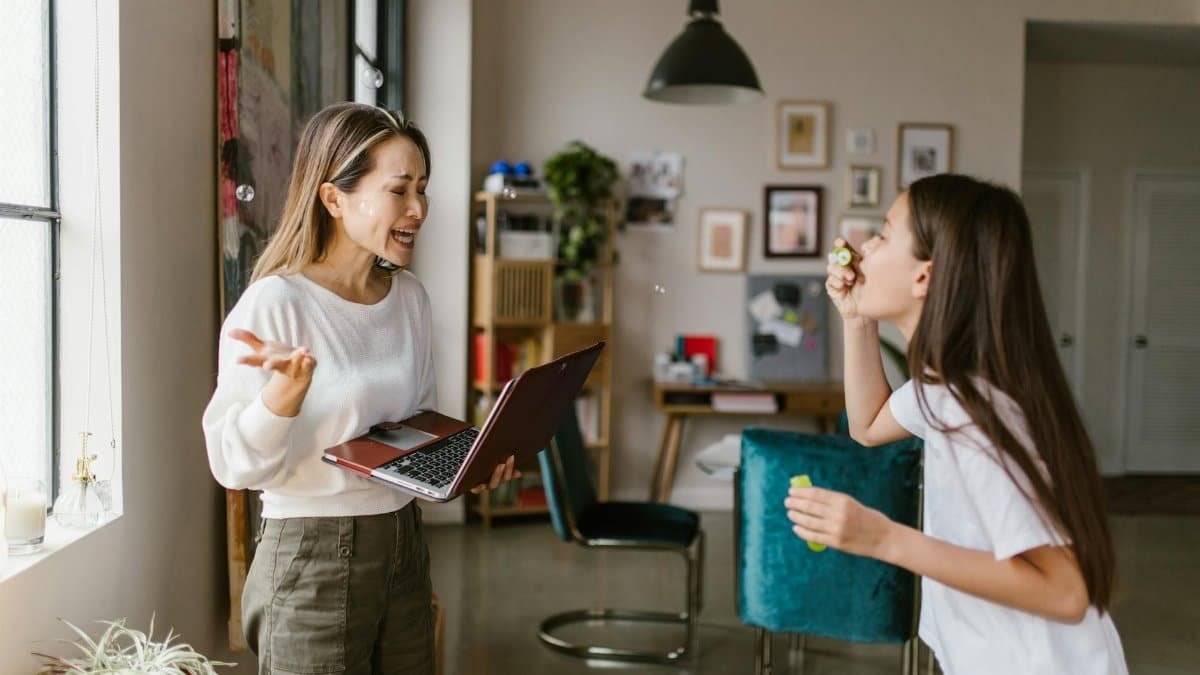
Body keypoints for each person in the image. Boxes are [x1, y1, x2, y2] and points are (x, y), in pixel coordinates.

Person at [203, 102, 518, 674]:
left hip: (403, 542)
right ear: (333, 198)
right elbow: (230, 464)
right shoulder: (278, 303)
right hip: (311, 555)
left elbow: (415, 424)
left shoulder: (410, 298)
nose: (419, 209)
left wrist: (466, 463)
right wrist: (282, 397)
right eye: (400, 190)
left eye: (423, 188)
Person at [786, 174, 1126, 674]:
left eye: (882, 233)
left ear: (924, 276)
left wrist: (883, 538)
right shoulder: (945, 387)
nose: (865, 249)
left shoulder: (972, 408)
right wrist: (857, 320)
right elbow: (869, 424)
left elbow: (1066, 591)